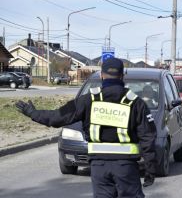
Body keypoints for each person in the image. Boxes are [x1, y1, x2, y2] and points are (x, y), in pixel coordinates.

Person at [16, 58, 157, 198]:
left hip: (99, 168)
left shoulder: (88, 100)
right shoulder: (136, 103)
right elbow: (148, 137)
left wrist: (33, 113)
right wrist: (151, 169)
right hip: (126, 167)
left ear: (102, 75)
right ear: (122, 76)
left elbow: (58, 117)